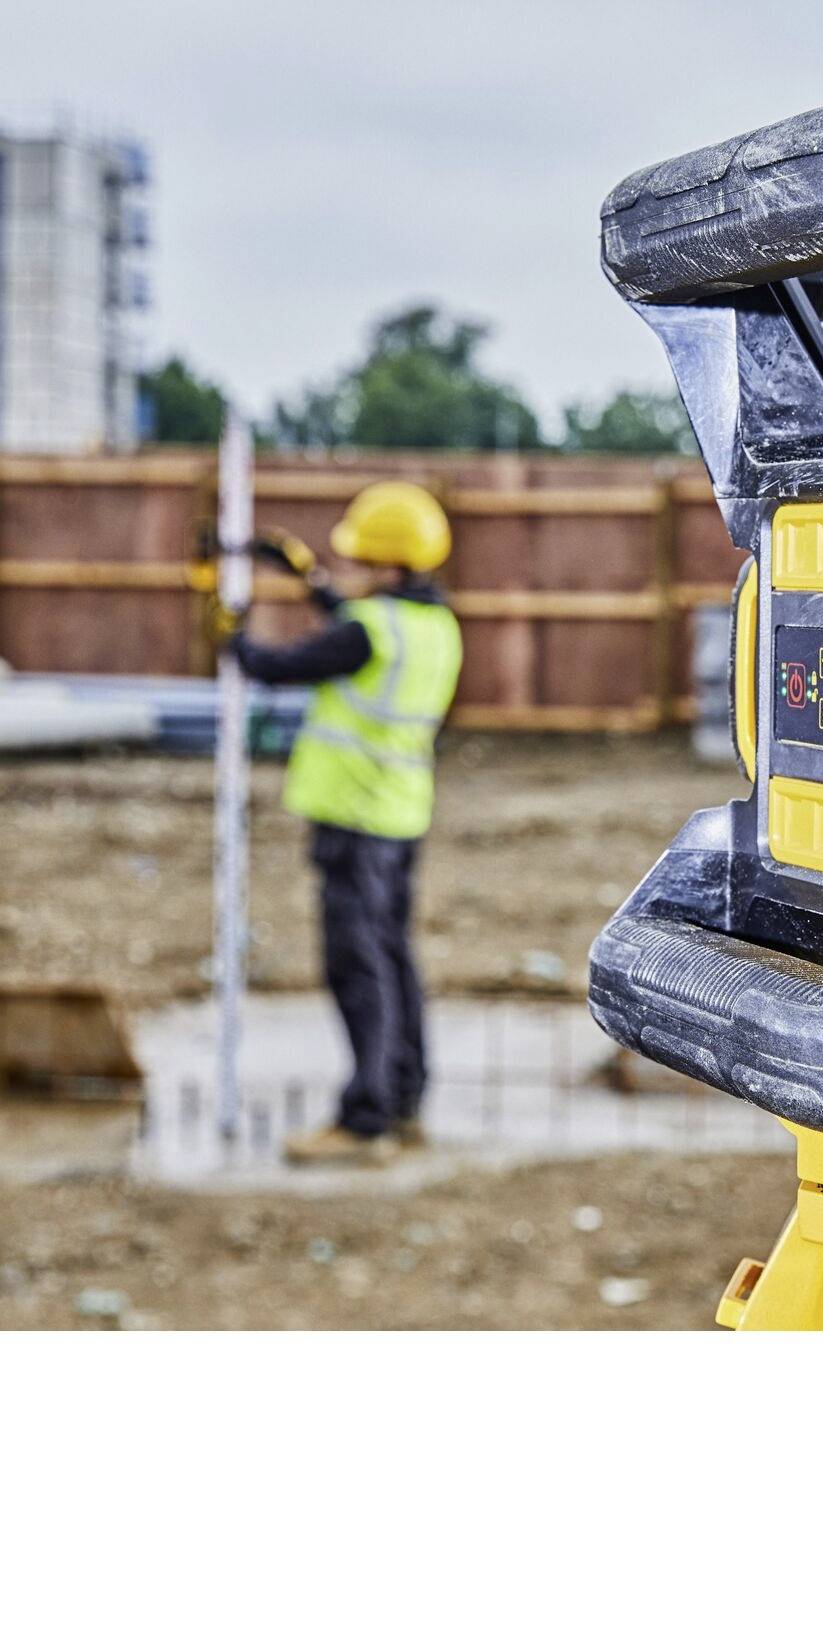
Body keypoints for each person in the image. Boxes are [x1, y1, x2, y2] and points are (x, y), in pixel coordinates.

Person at [229, 482, 463, 1165]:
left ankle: (364, 1121)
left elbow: (273, 665)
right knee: (391, 958)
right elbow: (356, 632)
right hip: (398, 816)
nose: (353, 571)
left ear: (391, 567)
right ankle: (403, 1094)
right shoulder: (433, 626)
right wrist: (309, 582)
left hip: (354, 821)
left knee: (357, 967)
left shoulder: (370, 630)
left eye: (363, 560)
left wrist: (225, 625)